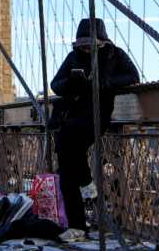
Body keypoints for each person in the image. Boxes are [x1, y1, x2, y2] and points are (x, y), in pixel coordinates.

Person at [50, 17, 139, 233]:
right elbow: (56, 84)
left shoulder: (114, 54)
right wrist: (71, 83)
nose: (86, 50)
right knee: (66, 172)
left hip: (96, 115)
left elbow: (132, 76)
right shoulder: (73, 57)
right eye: (82, 45)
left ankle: (86, 184)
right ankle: (77, 224)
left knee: (69, 146)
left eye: (89, 45)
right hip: (71, 113)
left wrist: (103, 84)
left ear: (101, 41)